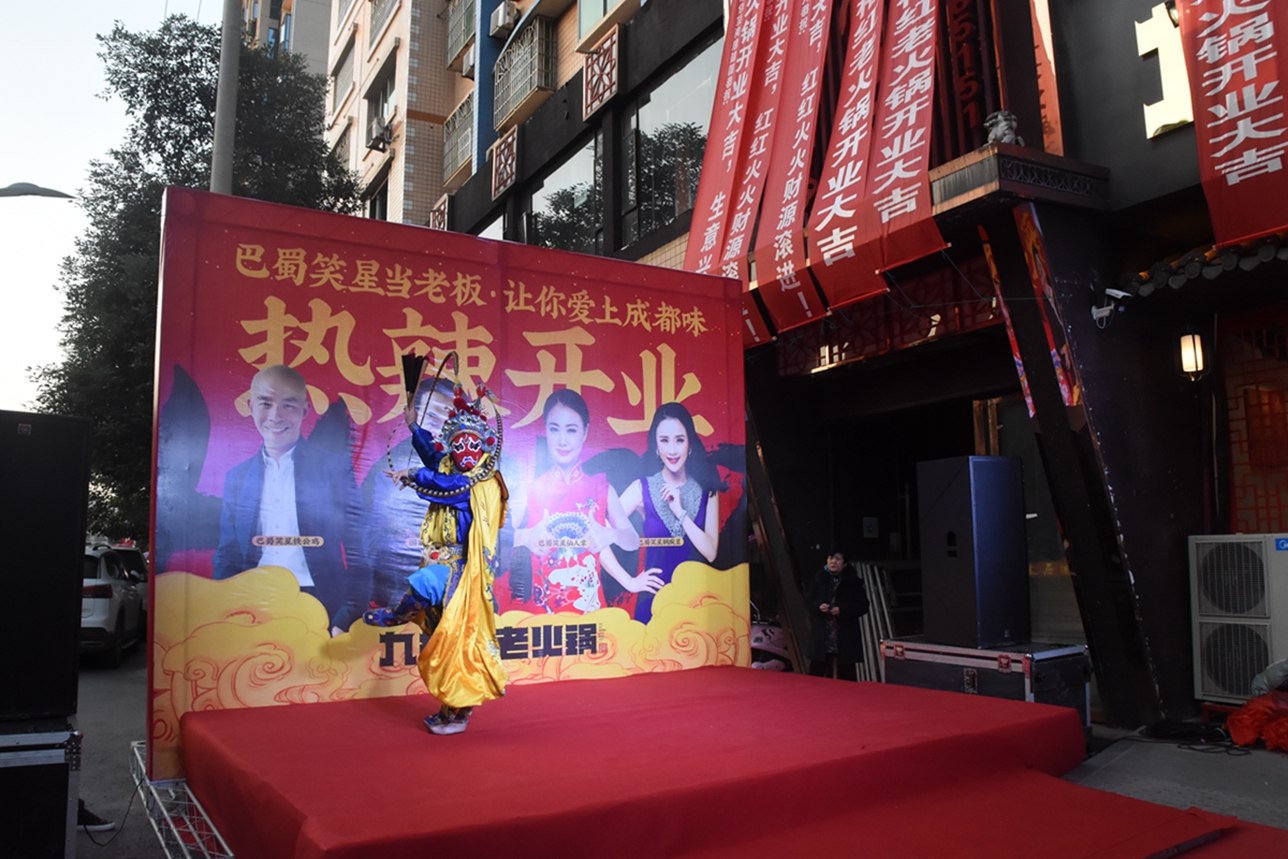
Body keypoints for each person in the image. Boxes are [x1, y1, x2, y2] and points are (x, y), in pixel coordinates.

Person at [366, 374, 509, 735]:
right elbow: (434, 457)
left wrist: (412, 474)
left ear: (484, 445)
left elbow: (447, 484)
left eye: (471, 444)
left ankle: (396, 615)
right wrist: (414, 426)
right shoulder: (450, 466)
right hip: (442, 558)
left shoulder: (480, 481)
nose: (464, 451)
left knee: (425, 585)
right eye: (458, 443)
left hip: (462, 567)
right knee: (445, 642)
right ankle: (453, 711)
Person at [212, 364, 369, 633]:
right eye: (265, 404)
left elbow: (359, 549)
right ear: (251, 407)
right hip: (254, 603)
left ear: (304, 410)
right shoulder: (237, 477)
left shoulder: (333, 469)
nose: (275, 416)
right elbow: (228, 554)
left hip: (321, 603)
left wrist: (348, 615)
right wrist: (226, 610)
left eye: (288, 405)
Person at [511, 389, 655, 613]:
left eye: (571, 430)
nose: (562, 440)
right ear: (545, 430)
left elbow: (632, 541)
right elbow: (494, 539)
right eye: (554, 429)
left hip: (591, 612)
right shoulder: (530, 489)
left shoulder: (601, 489)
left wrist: (611, 535)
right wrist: (525, 537)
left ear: (585, 432)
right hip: (542, 617)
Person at [616, 402, 724, 623]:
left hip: (698, 607)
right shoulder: (641, 488)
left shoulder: (709, 489)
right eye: (664, 440)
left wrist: (680, 512)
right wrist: (629, 581)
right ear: (656, 445)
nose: (672, 450)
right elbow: (600, 533)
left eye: (679, 440)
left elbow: (711, 552)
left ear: (690, 442)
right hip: (653, 606)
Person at [805, 551, 869, 681]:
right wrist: (819, 607)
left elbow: (863, 606)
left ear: (845, 564)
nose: (833, 561)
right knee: (815, 674)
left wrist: (843, 610)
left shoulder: (854, 582)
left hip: (845, 635)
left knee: (846, 675)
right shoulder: (819, 579)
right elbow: (808, 601)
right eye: (830, 558)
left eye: (838, 559)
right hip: (823, 635)